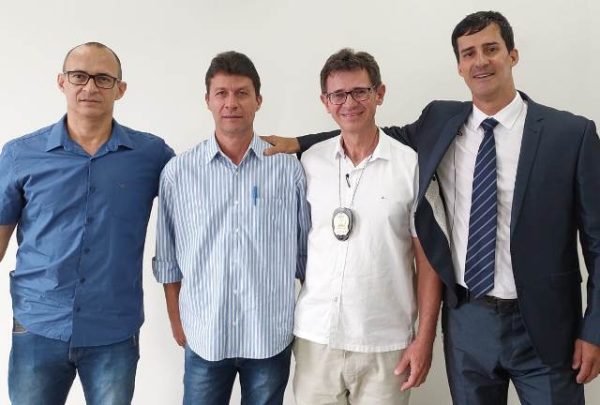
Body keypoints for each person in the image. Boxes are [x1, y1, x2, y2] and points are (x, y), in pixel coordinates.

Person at [264, 11, 600, 405]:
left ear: (512, 54)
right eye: (468, 53)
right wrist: (299, 143)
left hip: (547, 327)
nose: (480, 61)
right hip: (467, 320)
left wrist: (594, 329)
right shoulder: (440, 121)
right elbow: (370, 131)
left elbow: (597, 243)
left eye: (491, 49)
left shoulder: (570, 134)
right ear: (459, 66)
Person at [0, 42, 174, 404]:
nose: (90, 87)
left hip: (114, 330)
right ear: (61, 82)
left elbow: (200, 198)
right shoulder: (20, 155)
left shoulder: (151, 155)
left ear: (120, 89)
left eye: (103, 78)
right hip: (38, 325)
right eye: (79, 76)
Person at [152, 51, 310, 405]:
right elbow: (168, 257)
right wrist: (177, 321)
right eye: (221, 93)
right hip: (205, 334)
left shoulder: (287, 169)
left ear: (258, 100)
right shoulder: (179, 173)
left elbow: (305, 253)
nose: (231, 103)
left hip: (269, 333)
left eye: (241, 93)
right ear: (207, 100)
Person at [292, 48, 441, 405]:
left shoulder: (411, 167)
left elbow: (429, 262)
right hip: (316, 339)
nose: (349, 103)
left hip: (385, 343)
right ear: (325, 102)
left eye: (360, 91)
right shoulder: (309, 163)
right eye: (338, 95)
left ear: (379, 93)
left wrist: (425, 339)